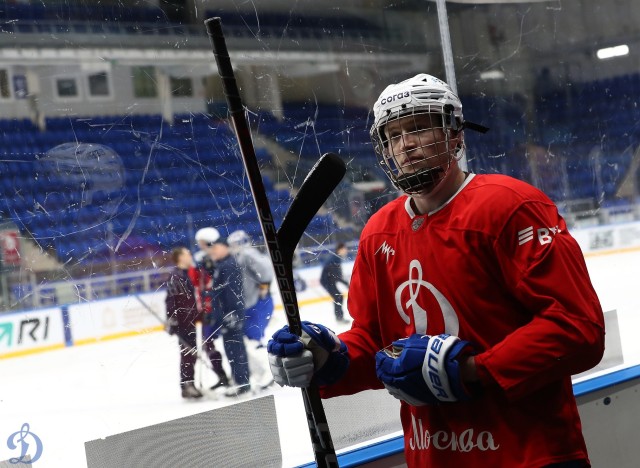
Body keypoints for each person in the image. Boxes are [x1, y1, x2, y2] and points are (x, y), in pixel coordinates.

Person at [267, 74, 605, 467]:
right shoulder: (379, 231)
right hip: (435, 456)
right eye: (392, 136)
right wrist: (328, 357)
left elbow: (577, 327)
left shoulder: (510, 206)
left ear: (455, 134)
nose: (404, 145)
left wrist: (473, 370)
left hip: (532, 454)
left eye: (418, 127)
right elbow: (375, 340)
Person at [205, 229, 251, 396]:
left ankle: (242, 383)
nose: (212, 252)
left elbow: (232, 293)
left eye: (215, 248)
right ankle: (241, 382)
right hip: (226, 316)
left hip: (230, 315)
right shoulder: (222, 265)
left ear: (225, 248)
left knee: (235, 350)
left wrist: (232, 314)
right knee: (232, 349)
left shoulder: (229, 265)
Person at [228, 230, 275, 387]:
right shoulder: (242, 255)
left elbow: (266, 269)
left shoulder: (247, 253)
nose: (232, 247)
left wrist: (264, 286)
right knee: (250, 339)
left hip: (257, 303)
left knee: (253, 339)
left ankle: (268, 372)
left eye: (234, 244)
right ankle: (263, 371)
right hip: (252, 303)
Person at [191, 227, 231, 390]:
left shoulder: (218, 258)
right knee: (208, 343)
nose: (200, 245)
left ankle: (250, 372)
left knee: (232, 341)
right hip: (208, 309)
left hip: (218, 308)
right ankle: (222, 376)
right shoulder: (200, 258)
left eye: (202, 242)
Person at [164, 246, 203, 399]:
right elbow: (170, 301)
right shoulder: (176, 276)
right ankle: (187, 385)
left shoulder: (185, 274)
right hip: (183, 323)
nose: (190, 256)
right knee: (188, 354)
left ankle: (189, 384)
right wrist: (172, 321)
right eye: (187, 254)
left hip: (189, 321)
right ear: (180, 257)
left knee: (191, 353)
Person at [319, 242, 350, 323]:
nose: (346, 251)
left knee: (338, 297)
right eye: (344, 249)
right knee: (338, 297)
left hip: (330, 280)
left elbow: (336, 275)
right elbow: (336, 275)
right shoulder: (335, 258)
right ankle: (339, 318)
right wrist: (346, 284)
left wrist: (345, 283)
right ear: (340, 249)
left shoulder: (336, 258)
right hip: (327, 281)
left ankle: (339, 317)